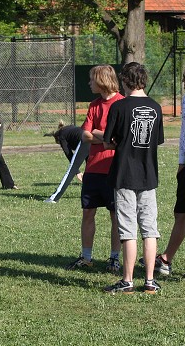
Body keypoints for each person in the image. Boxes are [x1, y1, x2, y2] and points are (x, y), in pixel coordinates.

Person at [142, 61, 185, 276]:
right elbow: (184, 132)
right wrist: (181, 162)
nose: (183, 82)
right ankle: (166, 259)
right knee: (180, 212)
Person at [102, 62, 164, 294]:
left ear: (126, 81)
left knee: (127, 229)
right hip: (148, 176)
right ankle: (149, 280)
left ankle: (127, 280)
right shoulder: (156, 107)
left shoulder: (119, 107)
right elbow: (156, 140)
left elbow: (108, 141)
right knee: (149, 228)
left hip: (124, 175)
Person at [65, 65, 124, 273]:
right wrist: (104, 136)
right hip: (92, 170)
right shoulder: (94, 105)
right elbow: (85, 135)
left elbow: (118, 140)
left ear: (101, 81)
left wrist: (101, 135)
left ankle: (114, 259)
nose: (89, 83)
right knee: (88, 212)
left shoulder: (121, 104)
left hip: (114, 169)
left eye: (92, 80)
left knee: (115, 215)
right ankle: (87, 257)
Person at [44, 121, 88, 203]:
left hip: (84, 140)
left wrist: (77, 172)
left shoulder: (61, 136)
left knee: (71, 170)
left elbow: (69, 154)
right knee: (93, 170)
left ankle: (54, 198)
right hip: (91, 137)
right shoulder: (69, 128)